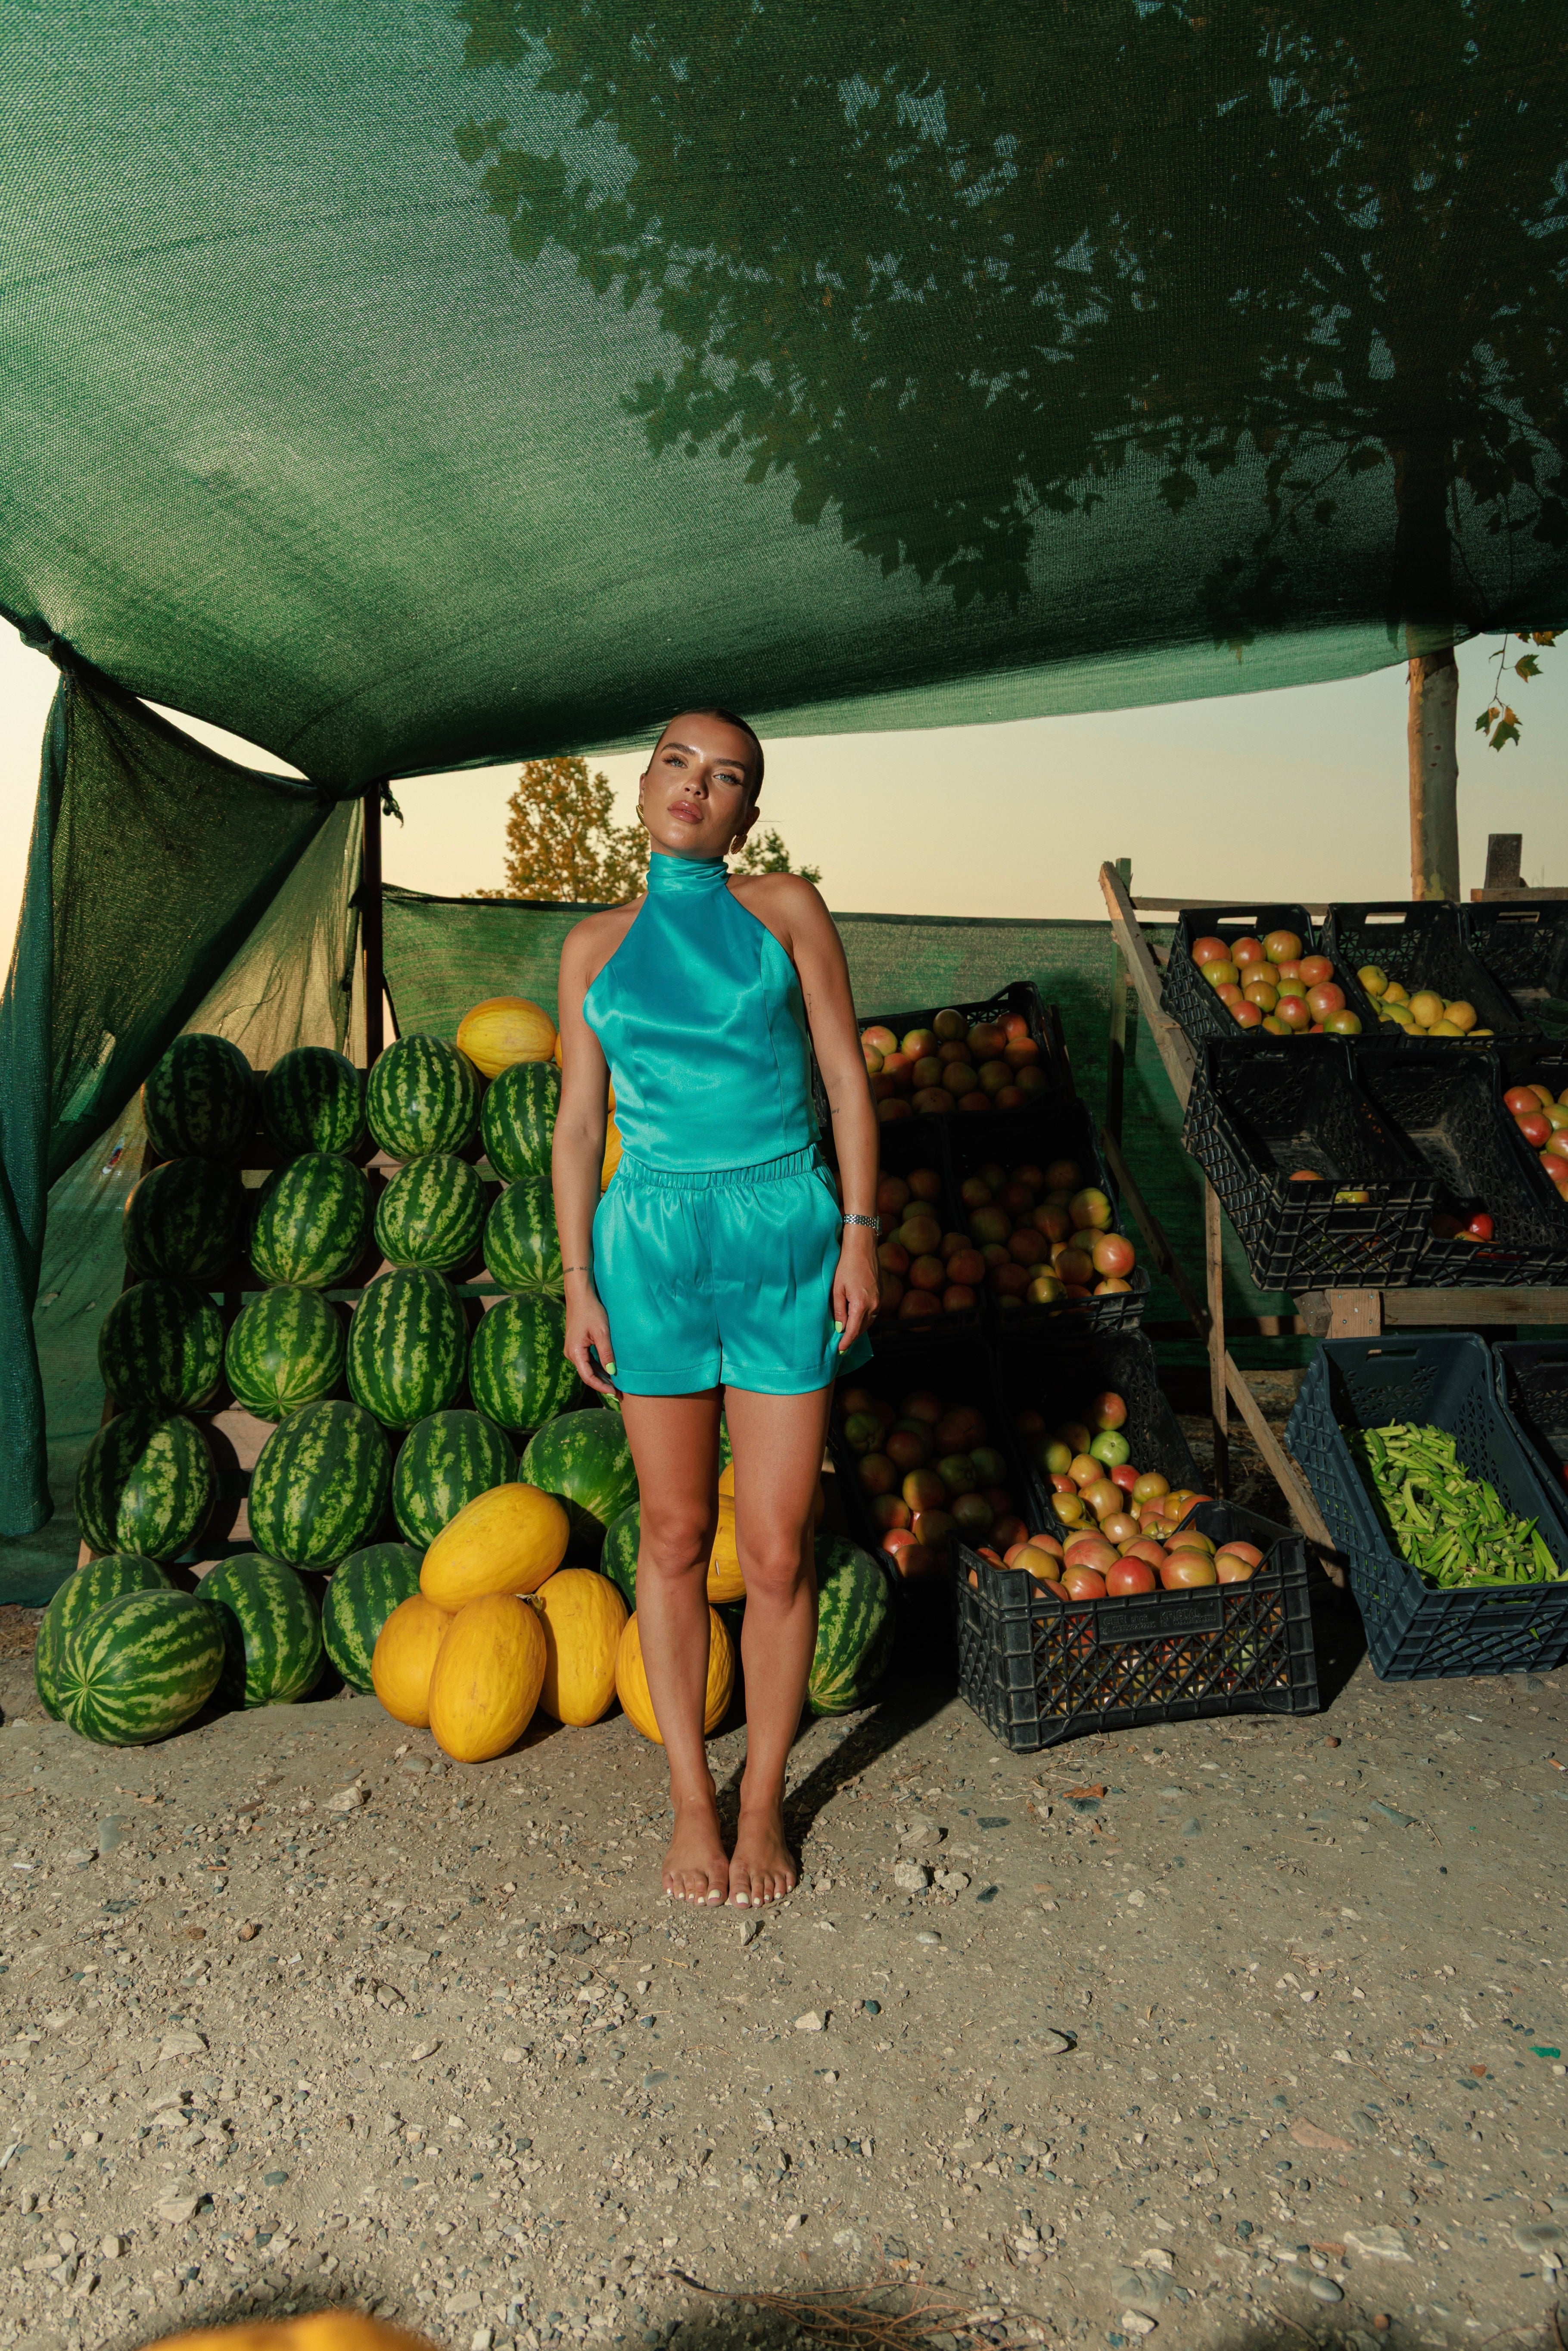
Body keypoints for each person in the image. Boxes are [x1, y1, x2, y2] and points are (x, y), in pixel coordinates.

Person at [552, 708, 879, 1907]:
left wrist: (861, 1233)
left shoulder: (786, 911)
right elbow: (580, 1126)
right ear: (642, 786)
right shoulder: (592, 946)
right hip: (649, 1246)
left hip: (785, 1230)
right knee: (678, 1534)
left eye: (726, 776)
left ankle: (763, 1801)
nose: (698, 787)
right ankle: (694, 1798)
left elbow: (845, 1074)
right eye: (678, 765)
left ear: (748, 810)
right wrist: (580, 1280)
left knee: (783, 1543)